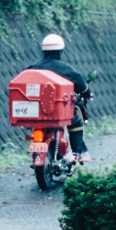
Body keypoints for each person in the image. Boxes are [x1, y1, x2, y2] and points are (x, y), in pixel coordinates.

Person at [30, 33, 92, 162]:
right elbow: (81, 84)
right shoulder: (65, 68)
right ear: (60, 51)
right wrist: (87, 92)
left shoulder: (33, 68)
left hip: (36, 110)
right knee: (75, 121)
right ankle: (76, 153)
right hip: (57, 110)